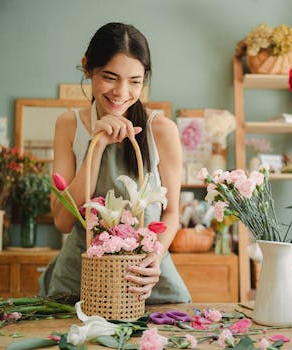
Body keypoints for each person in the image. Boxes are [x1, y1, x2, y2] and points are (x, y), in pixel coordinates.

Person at [38, 22, 191, 304]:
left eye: (135, 81)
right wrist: (97, 147)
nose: (121, 92)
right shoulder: (69, 125)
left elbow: (171, 214)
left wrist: (154, 259)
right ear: (87, 68)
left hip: (144, 280)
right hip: (80, 281)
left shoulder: (161, 130)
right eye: (110, 77)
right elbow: (62, 220)